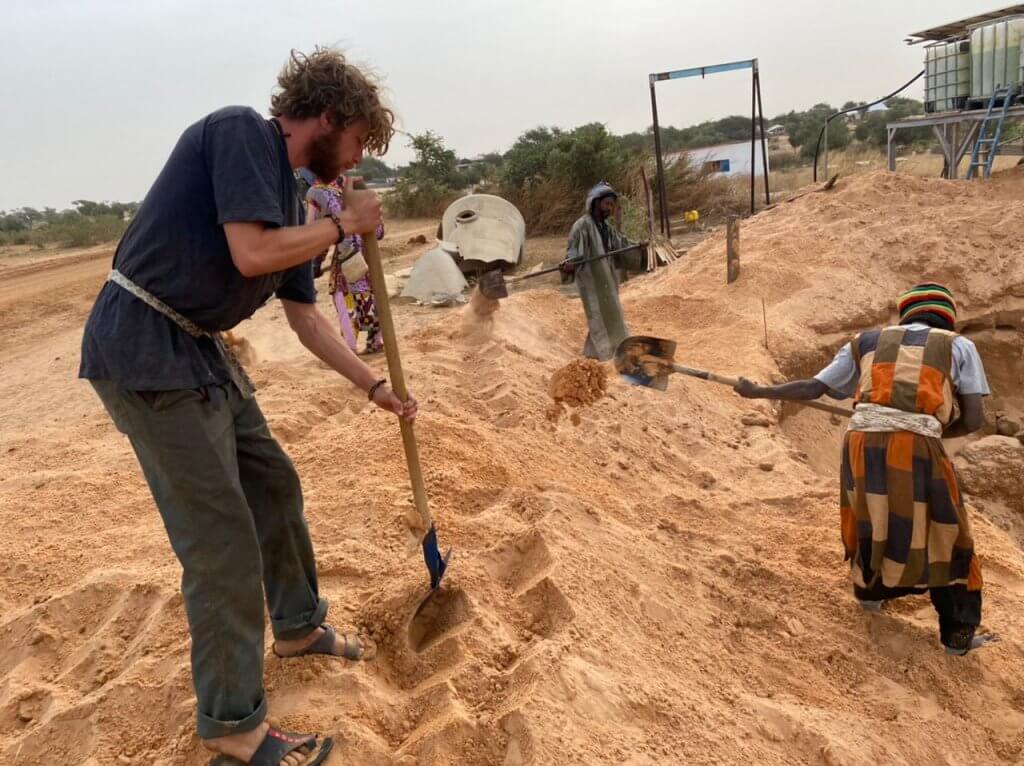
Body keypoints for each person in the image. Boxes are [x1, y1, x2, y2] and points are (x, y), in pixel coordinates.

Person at [79, 47, 408, 766]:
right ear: (330, 117)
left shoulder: (291, 203)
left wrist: (376, 387)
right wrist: (343, 226)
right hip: (144, 346)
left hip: (199, 348)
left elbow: (307, 319)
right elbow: (252, 255)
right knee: (221, 540)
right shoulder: (239, 134)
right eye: (357, 141)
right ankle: (232, 725)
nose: (355, 160)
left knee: (273, 483)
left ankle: (295, 625)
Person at [734, 283, 996, 656]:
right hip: (916, 445)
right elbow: (973, 419)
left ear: (906, 315)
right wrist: (930, 430)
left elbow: (812, 388)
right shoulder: (958, 345)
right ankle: (957, 636)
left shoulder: (866, 341)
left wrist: (758, 391)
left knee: (874, 515)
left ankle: (872, 596)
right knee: (945, 529)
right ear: (947, 318)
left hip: (860, 442)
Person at [563, 181, 639, 361]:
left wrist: (639, 249)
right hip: (593, 282)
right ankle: (611, 355)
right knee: (600, 316)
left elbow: (621, 245)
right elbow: (573, 251)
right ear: (596, 203)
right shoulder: (582, 226)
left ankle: (591, 355)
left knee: (608, 316)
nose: (610, 209)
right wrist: (570, 263)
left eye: (612, 205)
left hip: (608, 281)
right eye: (607, 204)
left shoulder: (606, 228)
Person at [306, 177, 358, 351]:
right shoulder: (350, 187)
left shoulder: (316, 192)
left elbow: (312, 230)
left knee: (342, 295)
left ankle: (350, 346)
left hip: (346, 255)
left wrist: (316, 262)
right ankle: (376, 341)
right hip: (366, 251)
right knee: (368, 294)